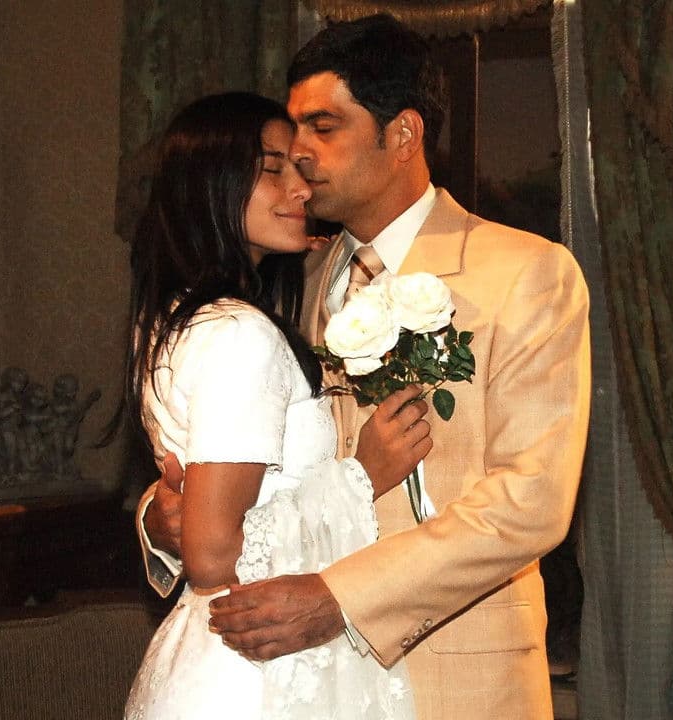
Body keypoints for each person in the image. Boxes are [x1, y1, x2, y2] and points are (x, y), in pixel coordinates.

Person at [139, 15, 591, 719]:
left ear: (402, 134)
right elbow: (233, 449)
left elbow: (530, 501)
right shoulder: (289, 281)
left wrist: (342, 598)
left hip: (458, 681)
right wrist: (162, 518)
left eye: (323, 127)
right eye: (292, 132)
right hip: (298, 682)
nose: (300, 153)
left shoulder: (526, 273)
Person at [121, 91, 431, 720]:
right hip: (251, 672)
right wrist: (362, 476)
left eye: (300, 168)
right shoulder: (238, 333)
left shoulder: (177, 318)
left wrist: (164, 511)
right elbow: (212, 557)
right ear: (212, 184)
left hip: (222, 656)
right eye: (272, 169)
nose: (301, 188)